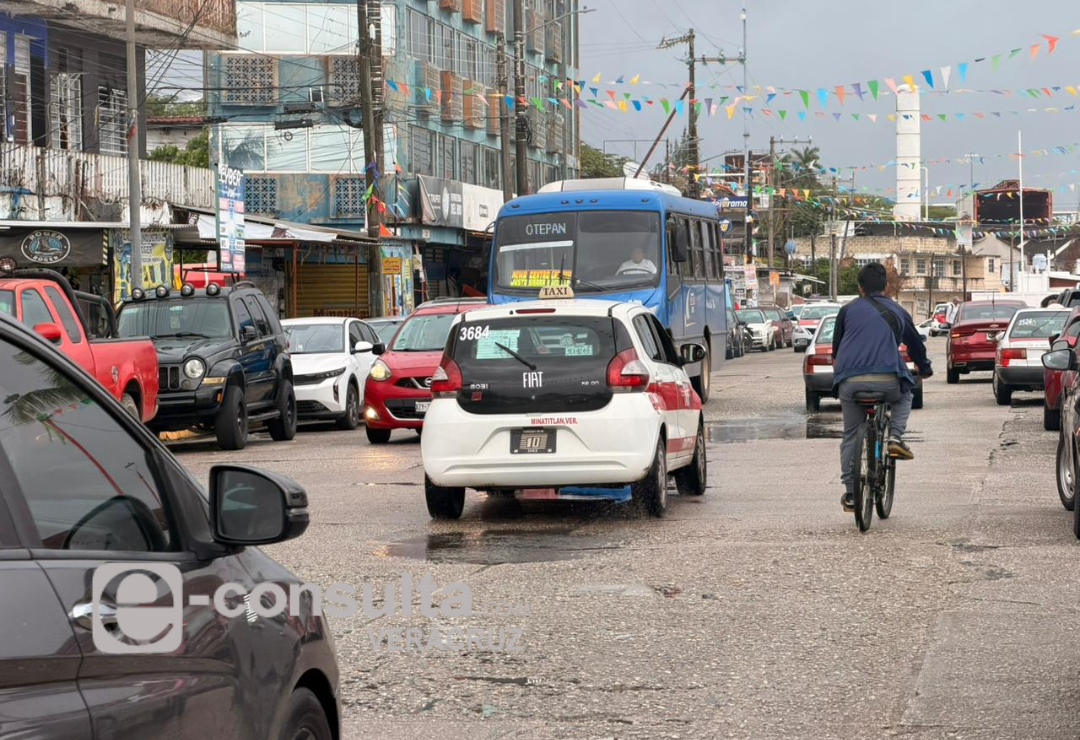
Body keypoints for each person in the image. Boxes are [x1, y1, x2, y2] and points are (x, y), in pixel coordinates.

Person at [832, 263, 932, 512]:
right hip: (888, 380)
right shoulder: (898, 310)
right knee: (906, 394)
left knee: (851, 433)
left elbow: (836, 350)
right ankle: (895, 437)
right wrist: (924, 367)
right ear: (887, 287)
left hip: (850, 381)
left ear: (860, 287)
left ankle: (851, 493)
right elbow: (915, 346)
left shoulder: (846, 311)